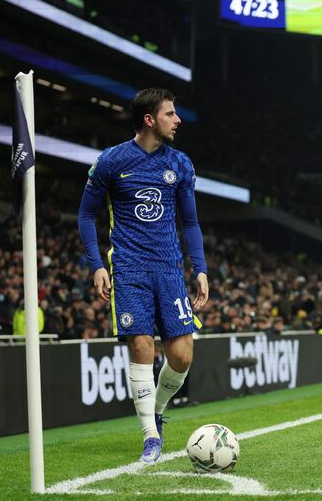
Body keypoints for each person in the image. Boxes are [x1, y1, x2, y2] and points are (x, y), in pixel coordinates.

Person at [77, 88, 209, 464]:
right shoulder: (111, 161)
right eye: (170, 114)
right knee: (141, 346)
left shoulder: (180, 163)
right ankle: (150, 436)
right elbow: (86, 215)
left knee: (182, 355)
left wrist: (199, 268)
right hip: (129, 267)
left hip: (169, 268)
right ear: (150, 120)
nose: (177, 119)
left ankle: (158, 410)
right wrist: (97, 265)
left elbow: (191, 222)